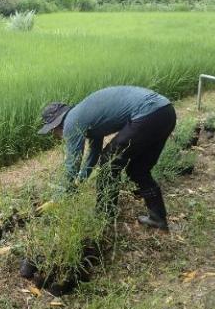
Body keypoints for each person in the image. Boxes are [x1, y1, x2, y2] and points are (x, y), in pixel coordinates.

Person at [38, 86, 176, 231]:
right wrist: (80, 181)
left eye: (52, 131)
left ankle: (104, 217)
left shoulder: (71, 123)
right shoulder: (85, 116)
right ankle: (158, 218)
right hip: (165, 111)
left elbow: (73, 162)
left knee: (108, 162)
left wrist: (59, 196)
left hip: (147, 112)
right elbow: (94, 153)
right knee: (138, 170)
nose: (54, 134)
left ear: (56, 123)